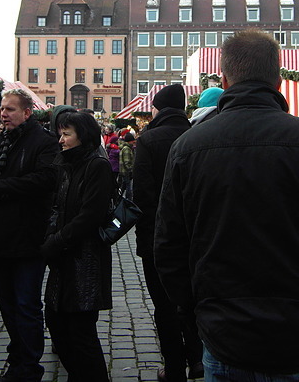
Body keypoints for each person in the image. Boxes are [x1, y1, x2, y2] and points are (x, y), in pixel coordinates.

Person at [155, 30, 299, 381]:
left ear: (224, 80)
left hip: (228, 335)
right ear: (278, 80)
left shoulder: (188, 148)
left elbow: (168, 246)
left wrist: (199, 311)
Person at [0, 89, 59, 382]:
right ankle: (17, 353)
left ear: (26, 113)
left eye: (9, 109)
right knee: (5, 300)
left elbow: (46, 180)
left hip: (29, 236)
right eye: (3, 109)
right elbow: (0, 180)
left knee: (26, 303)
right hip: (2, 235)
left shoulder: (43, 143)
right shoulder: (2, 143)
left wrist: (2, 187)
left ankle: (29, 366)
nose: (3, 114)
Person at [134, 83, 203, 382]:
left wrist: (145, 239)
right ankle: (198, 359)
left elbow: (142, 195)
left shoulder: (149, 140)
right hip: (195, 237)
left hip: (159, 238)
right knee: (193, 300)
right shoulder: (196, 136)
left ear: (158, 108)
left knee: (164, 306)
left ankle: (174, 368)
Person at [41, 111, 114, 382]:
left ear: (82, 136)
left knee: (81, 332)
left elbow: (90, 215)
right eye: (61, 133)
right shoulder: (69, 163)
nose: (61, 140)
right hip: (64, 258)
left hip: (85, 259)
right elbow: (59, 205)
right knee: (58, 324)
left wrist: (57, 241)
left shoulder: (96, 165)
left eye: (66, 134)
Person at [118, 132, 135, 200]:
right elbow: (127, 162)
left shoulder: (125, 148)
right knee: (128, 186)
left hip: (123, 171)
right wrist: (131, 169)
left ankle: (119, 198)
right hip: (126, 171)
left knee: (124, 185)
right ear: (129, 141)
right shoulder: (127, 149)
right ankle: (129, 200)